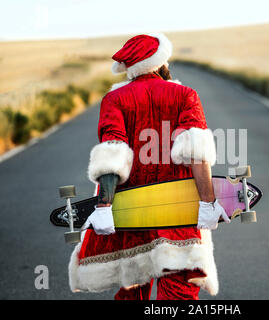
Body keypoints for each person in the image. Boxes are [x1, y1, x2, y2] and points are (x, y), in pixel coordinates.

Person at [68, 33, 229, 300]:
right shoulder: (185, 95)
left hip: (131, 213)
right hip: (178, 214)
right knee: (178, 294)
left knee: (132, 291)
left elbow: (112, 155)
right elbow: (196, 152)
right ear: (160, 62)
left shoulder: (114, 100)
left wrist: (104, 207)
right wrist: (208, 203)